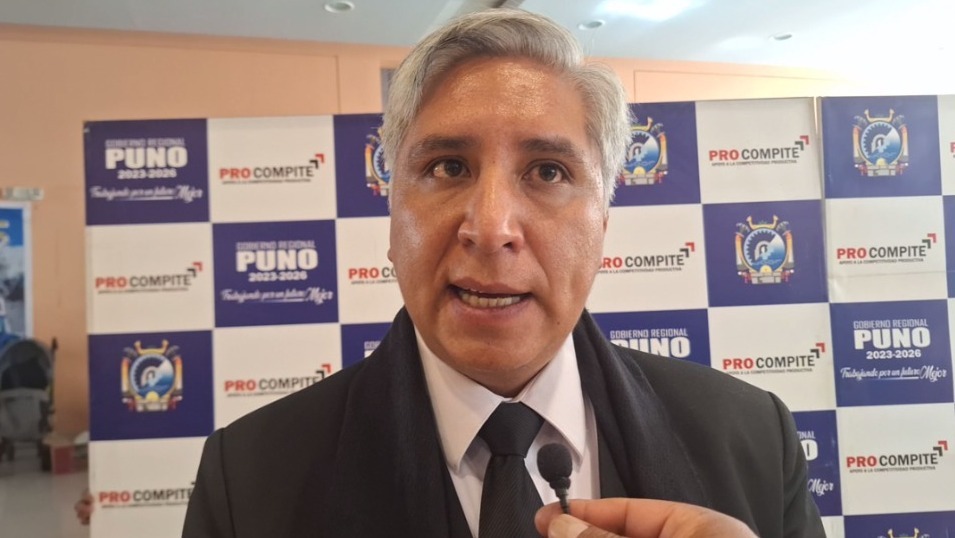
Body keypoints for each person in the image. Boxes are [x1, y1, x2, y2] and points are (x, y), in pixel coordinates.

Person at [183, 8, 824, 538]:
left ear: (602, 223)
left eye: (547, 171)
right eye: (448, 167)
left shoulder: (752, 439)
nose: (491, 229)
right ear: (393, 211)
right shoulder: (249, 480)